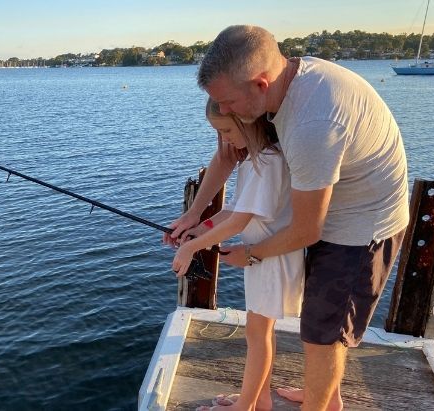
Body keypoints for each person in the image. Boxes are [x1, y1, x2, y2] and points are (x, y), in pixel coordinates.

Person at [168, 25, 409, 411]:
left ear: (260, 84)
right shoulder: (276, 90)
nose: (224, 111)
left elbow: (306, 228)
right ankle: (327, 395)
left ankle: (321, 403)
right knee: (323, 324)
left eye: (227, 102)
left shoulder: (312, 122)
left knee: (322, 331)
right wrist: (195, 214)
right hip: (327, 208)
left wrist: (250, 254)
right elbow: (227, 157)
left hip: (363, 224)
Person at [172, 97, 304, 411]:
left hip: (272, 260)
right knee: (262, 331)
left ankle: (246, 405)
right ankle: (259, 398)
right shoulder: (257, 159)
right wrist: (199, 228)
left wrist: (193, 246)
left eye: (228, 130)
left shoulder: (267, 162)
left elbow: (240, 220)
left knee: (258, 333)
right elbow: (236, 210)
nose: (224, 140)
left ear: (250, 120)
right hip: (265, 259)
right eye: (218, 133)